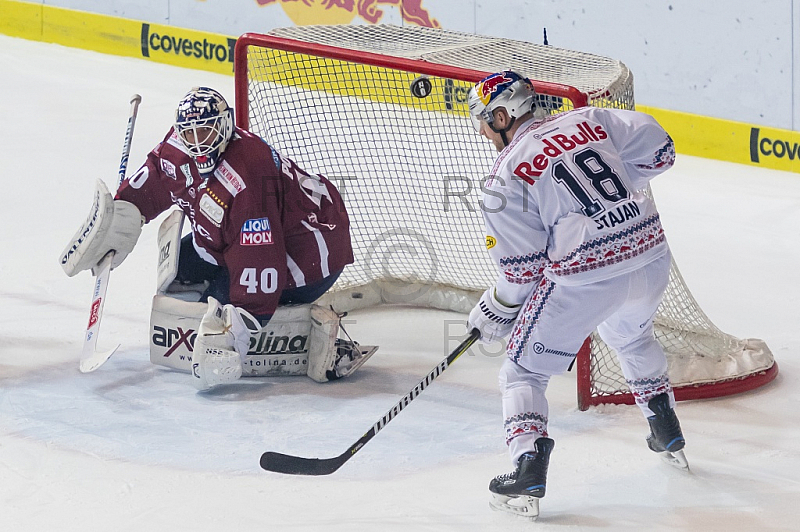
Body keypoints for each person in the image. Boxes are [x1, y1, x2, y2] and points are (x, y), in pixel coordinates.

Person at [465, 71, 686, 518]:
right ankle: (664, 424)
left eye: (484, 124)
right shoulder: (589, 118)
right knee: (631, 336)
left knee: (523, 371)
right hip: (648, 254)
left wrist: (494, 310)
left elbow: (523, 272)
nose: (484, 134)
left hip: (588, 279)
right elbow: (663, 149)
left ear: (503, 116)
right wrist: (622, 183)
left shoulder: (503, 177)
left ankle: (527, 466)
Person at [61, 87, 370, 390]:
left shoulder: (247, 174)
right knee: (178, 279)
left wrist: (234, 333)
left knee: (221, 307)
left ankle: (315, 341)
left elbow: (261, 259)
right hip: (231, 241)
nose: (198, 143)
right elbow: (156, 177)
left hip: (309, 250)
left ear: (225, 125)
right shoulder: (177, 146)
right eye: (190, 133)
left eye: (206, 131)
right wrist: (124, 213)